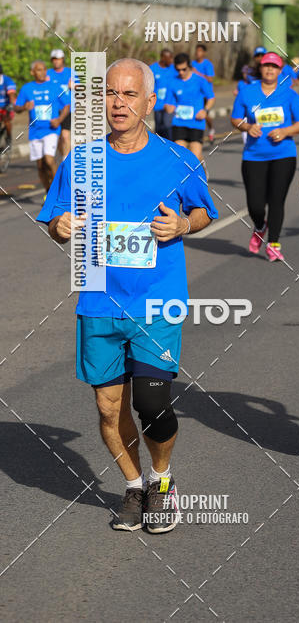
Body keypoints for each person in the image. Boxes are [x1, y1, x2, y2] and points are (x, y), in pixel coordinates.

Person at [37, 58, 217, 533]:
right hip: (98, 294)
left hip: (157, 298)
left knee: (153, 401)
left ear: (149, 102)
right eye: (111, 94)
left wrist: (182, 223)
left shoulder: (177, 158)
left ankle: (162, 482)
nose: (118, 103)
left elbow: (203, 213)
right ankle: (135, 486)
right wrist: (60, 227)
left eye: (129, 94)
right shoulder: (82, 159)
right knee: (108, 407)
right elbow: (55, 223)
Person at [231, 52, 299, 262]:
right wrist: (247, 126)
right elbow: (235, 118)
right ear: (260, 68)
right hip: (254, 156)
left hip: (283, 154)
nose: (269, 70)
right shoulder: (247, 92)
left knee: (276, 201)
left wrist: (285, 132)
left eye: (274, 67)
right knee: (255, 205)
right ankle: (259, 226)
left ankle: (274, 243)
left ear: (280, 70)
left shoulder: (289, 94)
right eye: (266, 66)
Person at [15, 60, 70, 191]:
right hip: (35, 132)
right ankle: (48, 191)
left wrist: (59, 120)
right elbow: (16, 107)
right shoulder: (27, 88)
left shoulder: (54, 87)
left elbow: (67, 106)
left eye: (44, 69)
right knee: (40, 166)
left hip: (51, 130)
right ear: (32, 72)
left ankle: (59, 191)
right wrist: (24, 107)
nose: (43, 72)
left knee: (49, 160)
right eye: (39, 69)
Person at [165, 53, 215, 165]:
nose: (181, 73)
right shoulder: (172, 82)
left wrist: (205, 110)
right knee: (181, 157)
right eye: (178, 70)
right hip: (179, 123)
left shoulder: (200, 80)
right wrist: (169, 108)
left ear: (190, 66)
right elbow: (168, 104)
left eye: (184, 69)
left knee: (195, 157)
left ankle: (202, 166)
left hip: (196, 123)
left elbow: (211, 98)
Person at [46, 48, 73, 158]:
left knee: (65, 136)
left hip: (67, 108)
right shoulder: (48, 73)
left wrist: (74, 86)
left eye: (59, 59)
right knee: (56, 138)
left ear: (63, 60)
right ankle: (65, 155)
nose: (57, 61)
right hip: (52, 109)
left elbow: (82, 87)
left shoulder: (70, 72)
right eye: (54, 59)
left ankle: (65, 159)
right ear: (52, 61)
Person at [192, 43, 216, 142]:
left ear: (204, 53)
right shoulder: (192, 63)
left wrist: (197, 73)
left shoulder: (207, 64)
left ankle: (211, 129)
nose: (198, 53)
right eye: (197, 51)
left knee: (205, 114)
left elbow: (210, 79)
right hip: (195, 94)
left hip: (206, 94)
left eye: (200, 51)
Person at [150, 48, 175, 141]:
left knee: (168, 127)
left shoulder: (173, 68)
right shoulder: (153, 69)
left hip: (170, 105)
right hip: (158, 105)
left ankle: (171, 150)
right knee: (159, 130)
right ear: (163, 58)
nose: (171, 60)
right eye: (169, 58)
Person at [0, 63, 17, 147]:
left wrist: (11, 105)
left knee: (6, 120)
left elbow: (11, 95)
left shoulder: (7, 81)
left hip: (6, 105)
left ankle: (9, 137)